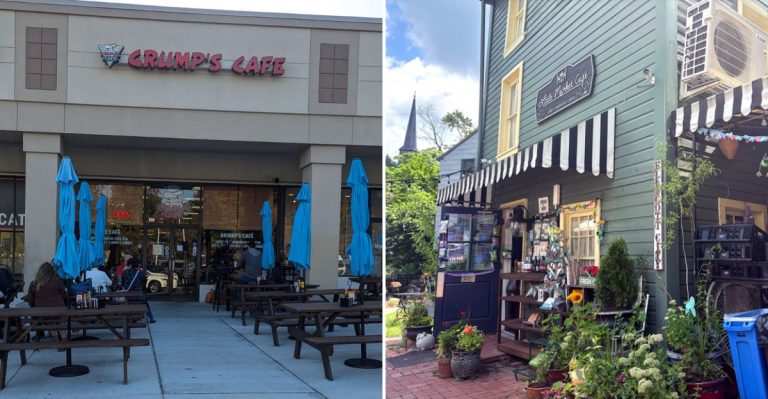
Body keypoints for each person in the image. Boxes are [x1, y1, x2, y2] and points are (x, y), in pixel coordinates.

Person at [122, 258, 156, 323]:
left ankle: (132, 318)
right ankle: (151, 317)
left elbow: (123, 283)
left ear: (130, 265)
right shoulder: (141, 273)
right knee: (145, 302)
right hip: (139, 296)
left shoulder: (125, 272)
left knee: (128, 304)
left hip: (127, 297)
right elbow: (143, 284)